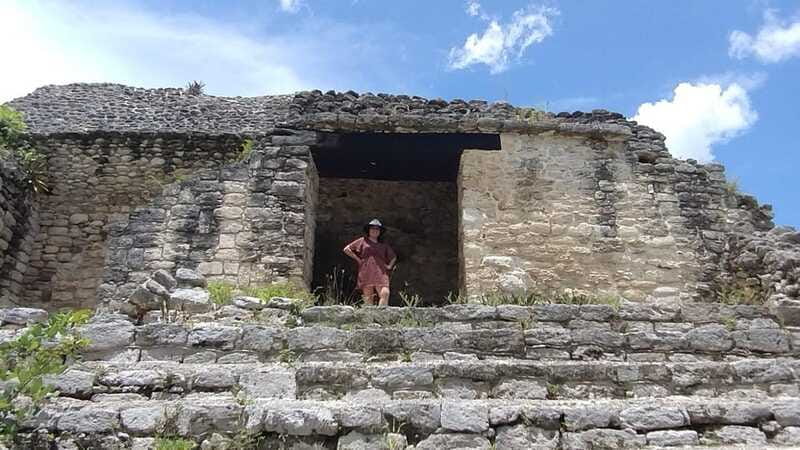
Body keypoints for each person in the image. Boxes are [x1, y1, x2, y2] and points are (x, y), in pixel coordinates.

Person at [343, 219, 397, 306]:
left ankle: (381, 315)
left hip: (381, 271)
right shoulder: (362, 241)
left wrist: (389, 266)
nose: (375, 230)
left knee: (385, 293)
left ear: (379, 232)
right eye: (372, 228)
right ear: (369, 230)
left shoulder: (383, 245)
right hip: (366, 270)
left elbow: (393, 257)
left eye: (377, 229)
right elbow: (347, 249)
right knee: (368, 297)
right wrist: (358, 259)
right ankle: (370, 317)